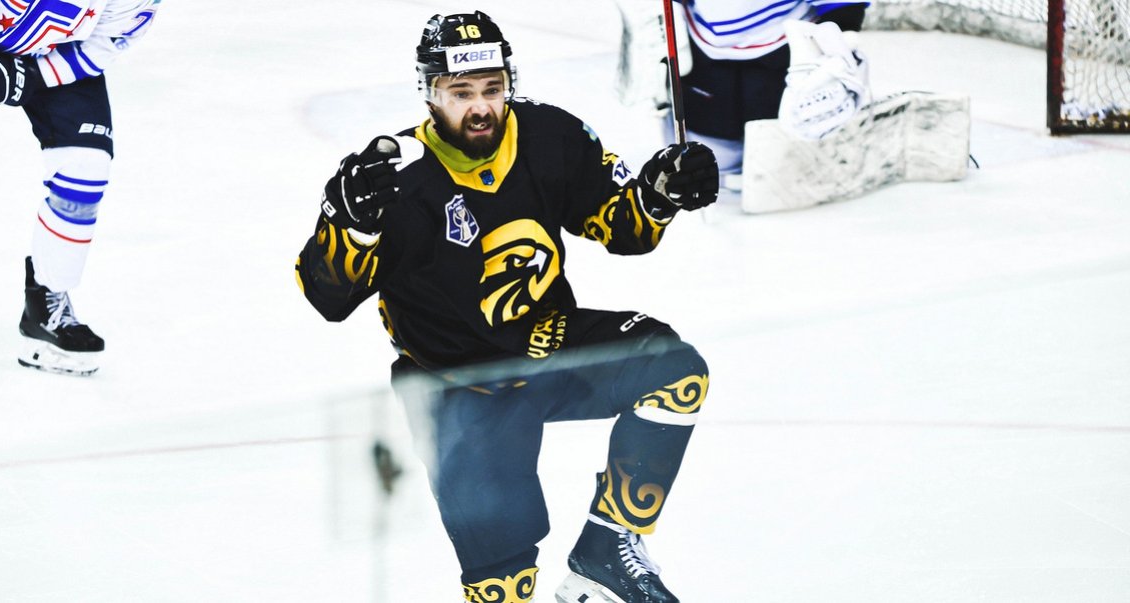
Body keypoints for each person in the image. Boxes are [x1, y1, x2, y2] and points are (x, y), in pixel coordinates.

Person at [295, 11, 719, 603]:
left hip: (549, 347)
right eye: (461, 92)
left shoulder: (549, 135)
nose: (480, 108)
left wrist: (658, 194)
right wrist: (352, 226)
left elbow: (621, 226)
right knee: (502, 586)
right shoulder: (396, 179)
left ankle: (606, 551)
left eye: (491, 89)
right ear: (430, 93)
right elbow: (329, 297)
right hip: (454, 385)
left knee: (673, 368)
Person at [0, 0, 161, 375]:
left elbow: (105, 41)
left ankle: (46, 310)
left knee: (86, 167)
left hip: (56, 58)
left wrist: (30, 77)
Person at [615, 0, 870, 188]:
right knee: (711, 149)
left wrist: (842, 32)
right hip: (705, 42)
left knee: (780, 137)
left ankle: (808, 142)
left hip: (782, 41)